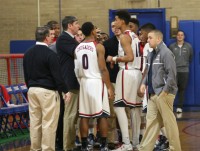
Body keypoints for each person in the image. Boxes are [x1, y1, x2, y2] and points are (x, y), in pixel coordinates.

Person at [23, 26, 71, 151]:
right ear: (45, 38)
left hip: (32, 91)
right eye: (50, 35)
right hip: (47, 92)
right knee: (48, 123)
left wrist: (31, 88)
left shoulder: (27, 53)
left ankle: (35, 149)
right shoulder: (50, 54)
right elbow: (58, 76)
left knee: (35, 123)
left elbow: (26, 75)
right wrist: (66, 91)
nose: (52, 37)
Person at [138, 30, 181, 151]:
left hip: (164, 93)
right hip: (153, 94)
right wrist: (143, 83)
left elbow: (172, 74)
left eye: (150, 38)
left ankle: (175, 148)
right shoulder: (151, 53)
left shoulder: (166, 53)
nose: (148, 40)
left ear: (158, 39)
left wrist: (165, 91)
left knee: (169, 123)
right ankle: (144, 148)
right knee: (151, 123)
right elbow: (148, 72)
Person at [74, 22, 114, 151]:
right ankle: (103, 145)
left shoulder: (77, 47)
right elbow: (103, 69)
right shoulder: (98, 47)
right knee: (102, 115)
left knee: (84, 116)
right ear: (92, 31)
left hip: (84, 82)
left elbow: (76, 69)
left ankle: (84, 145)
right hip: (96, 81)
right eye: (95, 29)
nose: (97, 31)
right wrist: (109, 87)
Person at [107, 10, 143, 151]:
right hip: (136, 73)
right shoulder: (134, 35)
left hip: (127, 73)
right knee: (134, 109)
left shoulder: (124, 37)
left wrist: (114, 58)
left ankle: (127, 143)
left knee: (118, 106)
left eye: (116, 19)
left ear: (122, 21)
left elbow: (130, 57)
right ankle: (135, 143)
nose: (115, 22)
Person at [56, 16, 80, 151]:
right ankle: (66, 146)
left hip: (74, 81)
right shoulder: (64, 39)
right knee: (69, 115)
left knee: (73, 115)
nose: (78, 26)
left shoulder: (70, 39)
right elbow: (77, 51)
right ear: (70, 25)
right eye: (76, 24)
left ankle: (70, 144)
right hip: (69, 83)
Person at [103, 21, 121, 148]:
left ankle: (128, 138)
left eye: (117, 26)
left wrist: (114, 58)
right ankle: (111, 139)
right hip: (112, 81)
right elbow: (102, 64)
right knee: (111, 113)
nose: (115, 28)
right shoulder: (107, 44)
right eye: (112, 26)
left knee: (127, 112)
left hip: (126, 81)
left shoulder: (130, 41)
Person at [169, 30, 193, 113]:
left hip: (184, 71)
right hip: (174, 71)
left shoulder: (188, 46)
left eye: (181, 35)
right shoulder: (172, 46)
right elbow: (169, 58)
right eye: (178, 35)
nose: (180, 36)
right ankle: (170, 107)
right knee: (172, 89)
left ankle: (180, 107)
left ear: (184, 37)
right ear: (176, 36)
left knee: (182, 89)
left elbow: (190, 57)